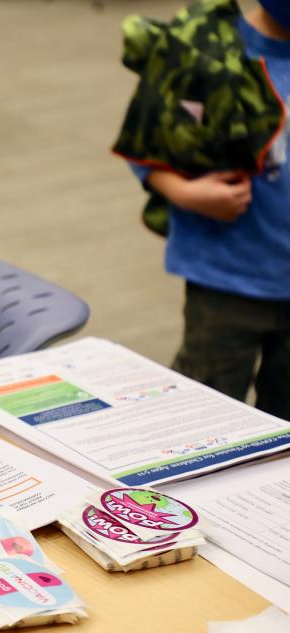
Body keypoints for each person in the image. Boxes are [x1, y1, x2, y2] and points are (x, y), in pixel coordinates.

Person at [116, 0, 290, 420]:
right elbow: (143, 145)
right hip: (225, 282)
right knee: (206, 411)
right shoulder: (201, 48)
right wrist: (189, 193)